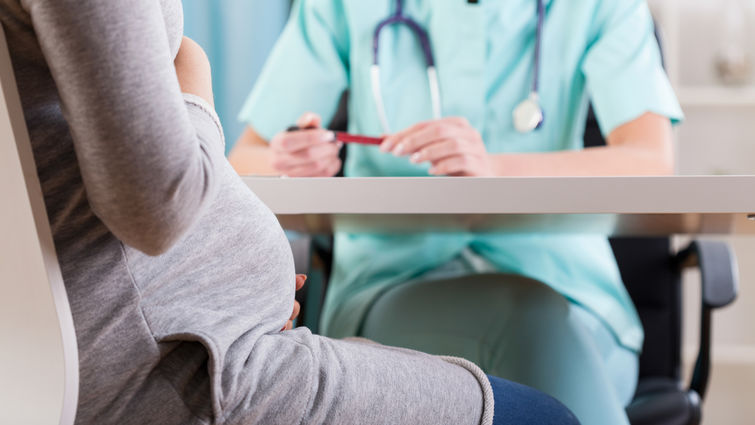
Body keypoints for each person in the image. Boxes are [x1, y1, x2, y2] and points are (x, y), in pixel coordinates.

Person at [0, 0, 580, 424]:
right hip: (176, 365)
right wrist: (193, 79)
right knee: (546, 418)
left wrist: (231, 284)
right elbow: (155, 206)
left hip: (163, 340)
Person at [229, 1, 684, 424]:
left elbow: (650, 160)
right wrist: (291, 160)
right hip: (398, 287)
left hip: (575, 300)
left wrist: (495, 168)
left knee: (540, 326)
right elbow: (244, 160)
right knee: (528, 319)